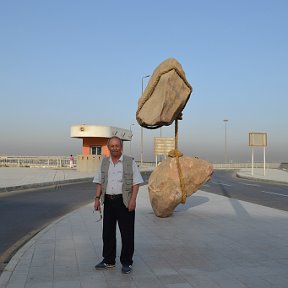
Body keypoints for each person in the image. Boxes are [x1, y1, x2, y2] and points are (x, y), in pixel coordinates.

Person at [93, 136, 143, 274]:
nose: (115, 148)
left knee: (127, 233)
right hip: (108, 201)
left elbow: (136, 183)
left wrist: (133, 200)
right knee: (107, 233)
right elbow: (99, 181)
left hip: (124, 202)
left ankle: (127, 262)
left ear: (121, 147)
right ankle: (109, 260)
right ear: (108, 147)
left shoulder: (129, 162)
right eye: (112, 146)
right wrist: (97, 198)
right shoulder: (104, 162)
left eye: (117, 145)